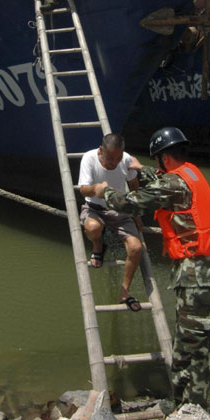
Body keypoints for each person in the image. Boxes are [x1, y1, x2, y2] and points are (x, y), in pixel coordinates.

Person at [92, 127, 210, 410]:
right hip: (206, 276)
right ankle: (184, 404)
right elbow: (166, 179)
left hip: (195, 280)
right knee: (191, 345)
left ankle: (192, 412)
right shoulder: (190, 172)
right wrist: (143, 169)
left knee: (192, 352)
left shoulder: (172, 185)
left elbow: (131, 204)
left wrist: (107, 192)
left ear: (164, 157)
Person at [79, 133, 143, 312]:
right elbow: (83, 189)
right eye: (109, 159)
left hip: (121, 210)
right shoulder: (89, 158)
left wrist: (136, 213)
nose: (114, 163)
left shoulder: (127, 159)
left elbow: (133, 184)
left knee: (136, 248)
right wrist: (96, 189)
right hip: (95, 208)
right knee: (92, 228)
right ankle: (98, 245)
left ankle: (124, 291)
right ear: (101, 151)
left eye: (118, 158)